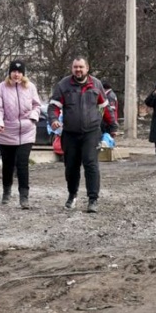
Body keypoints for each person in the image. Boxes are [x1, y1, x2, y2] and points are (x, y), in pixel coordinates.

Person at [48, 57, 116, 214]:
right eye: (75, 67)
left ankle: (93, 199)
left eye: (81, 67)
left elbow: (104, 107)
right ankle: (72, 195)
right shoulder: (63, 85)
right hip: (70, 133)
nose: (78, 70)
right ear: (72, 69)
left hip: (91, 132)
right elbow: (53, 107)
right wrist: (53, 120)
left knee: (91, 164)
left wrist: (112, 125)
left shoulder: (96, 84)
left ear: (87, 68)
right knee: (71, 167)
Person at [0, 60, 41, 209]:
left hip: (26, 130)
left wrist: (33, 117)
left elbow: (37, 105)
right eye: (14, 71)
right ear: (10, 72)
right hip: (7, 130)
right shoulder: (0, 88)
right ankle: (6, 191)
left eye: (19, 72)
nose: (16, 74)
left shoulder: (30, 87)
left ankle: (24, 196)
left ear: (23, 74)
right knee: (8, 163)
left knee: (22, 162)